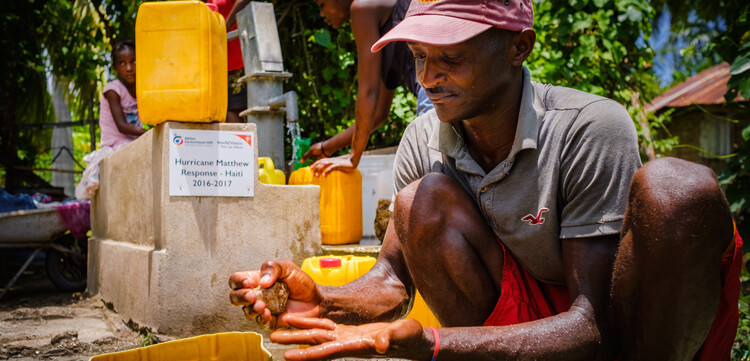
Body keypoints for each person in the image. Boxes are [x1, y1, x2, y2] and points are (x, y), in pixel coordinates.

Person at [229, 1, 743, 360]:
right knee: (420, 200)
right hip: (530, 325)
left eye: (451, 58)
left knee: (677, 190)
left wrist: (435, 346)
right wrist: (325, 300)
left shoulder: (589, 128)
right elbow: (391, 280)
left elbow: (596, 327)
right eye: (420, 58)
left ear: (519, 48)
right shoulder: (425, 138)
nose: (429, 78)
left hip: (630, 329)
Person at [300, 0, 434, 175]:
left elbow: (368, 92)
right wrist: (327, 147)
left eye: (322, 5)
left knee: (431, 173)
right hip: (450, 81)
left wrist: (353, 158)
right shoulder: (387, 24)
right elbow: (378, 113)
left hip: (435, 87)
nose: (322, 14)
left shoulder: (361, 7)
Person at [208, 0, 250, 123]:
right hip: (214, 62)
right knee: (214, 114)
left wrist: (224, 27)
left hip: (236, 61)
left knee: (233, 112)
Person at [99, 40, 145, 150]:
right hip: (114, 145)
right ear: (115, 67)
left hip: (133, 142)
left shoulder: (141, 90)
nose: (129, 68)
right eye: (123, 63)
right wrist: (151, 133)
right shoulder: (113, 90)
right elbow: (122, 126)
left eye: (133, 61)